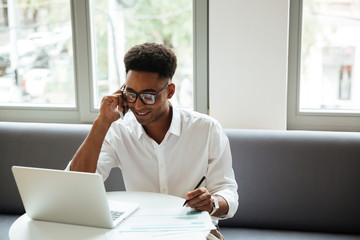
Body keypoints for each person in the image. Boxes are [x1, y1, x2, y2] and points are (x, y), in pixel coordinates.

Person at [67, 42, 238, 239]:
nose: (138, 105)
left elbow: (228, 193)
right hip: (138, 232)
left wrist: (212, 203)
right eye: (131, 94)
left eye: (148, 96)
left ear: (170, 91)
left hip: (194, 232)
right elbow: (76, 186)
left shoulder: (206, 129)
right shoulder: (119, 131)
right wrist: (101, 123)